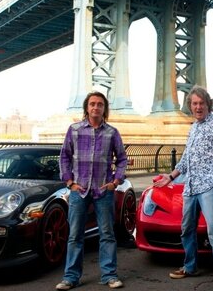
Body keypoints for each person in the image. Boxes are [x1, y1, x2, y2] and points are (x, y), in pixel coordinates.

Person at [154, 85, 213, 291]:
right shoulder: (193, 128)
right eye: (194, 103)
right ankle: (190, 266)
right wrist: (171, 176)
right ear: (190, 106)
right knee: (187, 229)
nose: (198, 107)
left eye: (201, 103)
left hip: (211, 185)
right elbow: (185, 159)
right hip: (191, 186)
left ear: (208, 104)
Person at [56, 91, 128, 290]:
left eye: (100, 104)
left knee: (107, 234)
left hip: (103, 190)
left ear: (105, 109)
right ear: (87, 108)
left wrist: (116, 181)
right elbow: (64, 157)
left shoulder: (112, 132)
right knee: (75, 235)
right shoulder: (74, 130)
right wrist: (69, 182)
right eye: (92, 104)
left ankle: (109, 275)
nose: (96, 107)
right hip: (78, 191)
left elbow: (122, 159)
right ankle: (70, 277)